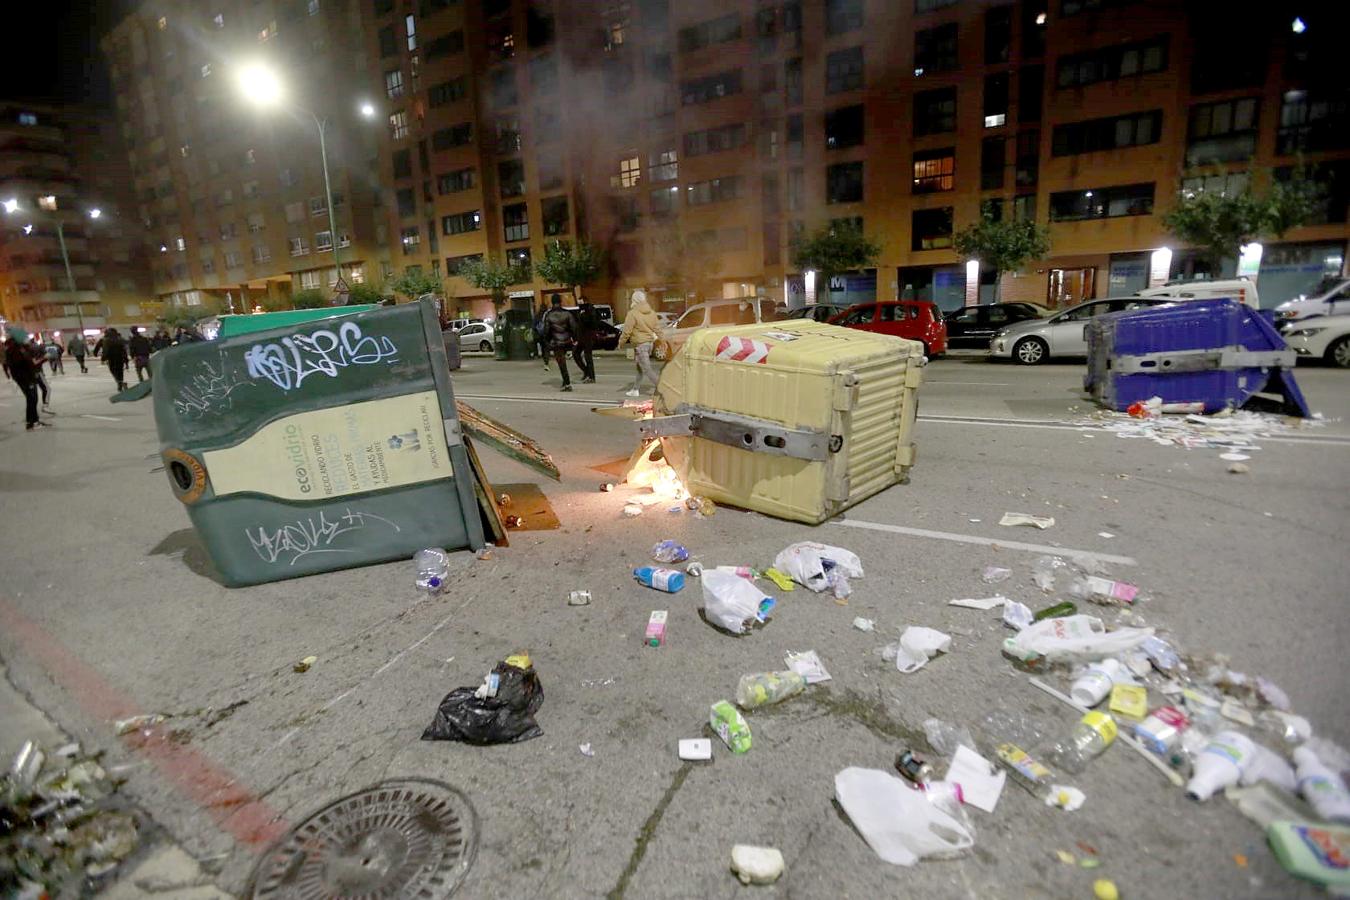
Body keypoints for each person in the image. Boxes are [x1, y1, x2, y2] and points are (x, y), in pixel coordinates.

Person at [617, 289, 664, 397]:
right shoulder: (651, 312)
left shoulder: (632, 313)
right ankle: (635, 389)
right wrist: (662, 340)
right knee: (639, 367)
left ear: (634, 300)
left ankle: (662, 388)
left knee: (647, 369)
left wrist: (621, 342)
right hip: (649, 344)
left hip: (640, 345)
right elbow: (657, 328)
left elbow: (627, 331)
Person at [5, 329, 47, 430]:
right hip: (26, 378)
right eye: (25, 337)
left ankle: (32, 421)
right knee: (32, 399)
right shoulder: (17, 350)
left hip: (24, 377)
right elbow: (28, 364)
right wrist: (43, 359)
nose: (27, 339)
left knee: (32, 398)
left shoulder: (16, 348)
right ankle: (32, 422)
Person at [542, 294, 579, 392]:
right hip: (567, 341)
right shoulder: (567, 313)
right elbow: (574, 327)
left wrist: (547, 342)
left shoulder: (548, 315)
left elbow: (546, 331)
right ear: (560, 301)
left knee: (562, 364)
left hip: (556, 342)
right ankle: (565, 382)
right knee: (564, 362)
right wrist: (574, 339)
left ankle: (567, 383)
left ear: (552, 302)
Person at [572, 296, 599, 384]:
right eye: (578, 303)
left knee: (588, 357)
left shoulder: (591, 310)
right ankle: (586, 371)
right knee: (575, 353)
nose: (580, 305)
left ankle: (591, 377)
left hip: (588, 337)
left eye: (581, 303)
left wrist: (584, 315)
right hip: (581, 337)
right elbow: (578, 325)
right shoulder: (580, 311)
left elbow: (592, 322)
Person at [533, 302, 550, 369]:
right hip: (546, 334)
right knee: (546, 348)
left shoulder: (537, 315)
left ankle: (545, 361)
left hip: (540, 334)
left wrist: (537, 330)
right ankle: (546, 361)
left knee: (543, 348)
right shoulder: (547, 314)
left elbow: (534, 325)